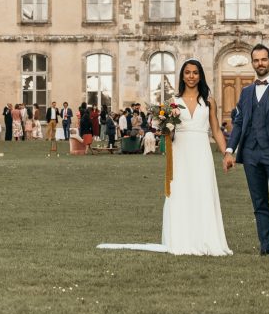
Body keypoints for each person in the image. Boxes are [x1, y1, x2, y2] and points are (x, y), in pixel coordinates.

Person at [98, 58, 232, 256]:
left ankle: (207, 238)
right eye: (187, 72)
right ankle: (182, 238)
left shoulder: (209, 101)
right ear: (182, 76)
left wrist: (227, 153)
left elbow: (216, 130)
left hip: (202, 151)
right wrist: (166, 127)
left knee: (203, 190)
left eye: (195, 72)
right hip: (180, 153)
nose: (191, 76)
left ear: (200, 75)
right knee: (182, 190)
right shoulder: (172, 102)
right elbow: (167, 132)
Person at [224, 43, 269, 256]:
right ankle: (266, 246)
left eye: (263, 60)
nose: (260, 63)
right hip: (251, 154)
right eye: (256, 60)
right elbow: (238, 122)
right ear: (253, 63)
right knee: (259, 202)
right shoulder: (246, 92)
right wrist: (230, 150)